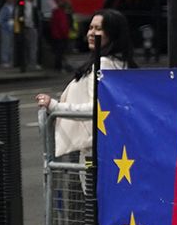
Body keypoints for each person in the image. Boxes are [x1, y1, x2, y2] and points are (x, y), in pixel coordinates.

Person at [36, 9, 133, 158]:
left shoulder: (103, 65)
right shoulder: (121, 63)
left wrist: (53, 106)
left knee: (87, 181)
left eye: (98, 29)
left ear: (113, 34)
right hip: (108, 147)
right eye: (90, 27)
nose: (91, 33)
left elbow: (96, 109)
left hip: (93, 150)